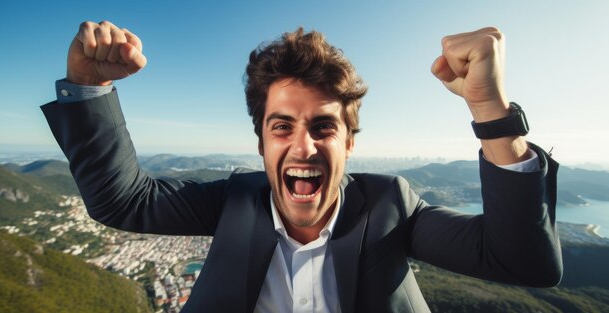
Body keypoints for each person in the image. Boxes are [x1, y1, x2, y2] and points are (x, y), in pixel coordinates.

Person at [42, 21, 562, 313]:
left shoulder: (390, 205)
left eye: (324, 127)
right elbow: (123, 200)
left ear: (350, 143)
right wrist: (88, 85)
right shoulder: (232, 202)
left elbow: (525, 262)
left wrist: (490, 110)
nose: (303, 146)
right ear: (262, 141)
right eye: (282, 126)